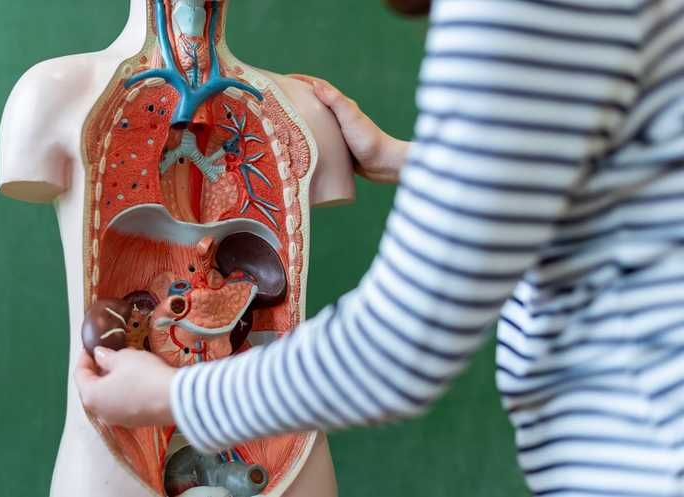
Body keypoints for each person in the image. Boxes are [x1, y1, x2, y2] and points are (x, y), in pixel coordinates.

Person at [77, 0, 684, 494]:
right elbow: (608, 182)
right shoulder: (65, 95)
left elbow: (401, 347)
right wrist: (415, 163)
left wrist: (172, 398)